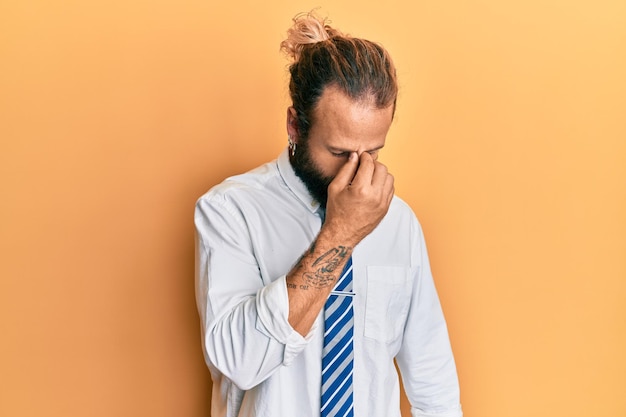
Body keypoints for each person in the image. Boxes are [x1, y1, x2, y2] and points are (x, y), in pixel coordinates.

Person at [195, 11, 462, 417]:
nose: (357, 171)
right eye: (338, 152)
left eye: (373, 152)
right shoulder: (229, 210)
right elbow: (240, 362)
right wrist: (341, 233)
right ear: (295, 127)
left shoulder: (399, 222)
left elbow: (431, 377)